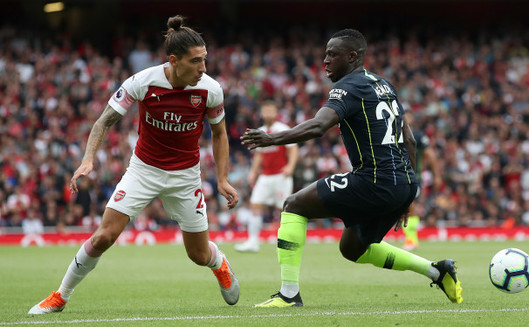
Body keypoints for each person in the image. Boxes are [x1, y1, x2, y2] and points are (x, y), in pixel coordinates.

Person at [28, 15, 240, 315]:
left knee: (198, 254)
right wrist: (88, 159)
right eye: (196, 61)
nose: (203, 68)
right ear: (174, 60)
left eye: (204, 60)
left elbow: (219, 134)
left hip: (186, 176)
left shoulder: (210, 89)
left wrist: (222, 179)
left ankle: (220, 264)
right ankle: (60, 296)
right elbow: (104, 122)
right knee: (104, 236)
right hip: (143, 170)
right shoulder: (142, 81)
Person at [241, 29, 463, 307]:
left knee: (294, 205)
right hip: (403, 183)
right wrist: (408, 194)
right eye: (325, 54)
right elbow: (409, 140)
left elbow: (319, 125)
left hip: (375, 181)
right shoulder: (385, 85)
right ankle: (437, 270)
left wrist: (272, 138)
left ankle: (288, 295)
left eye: (332, 55)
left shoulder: (348, 87)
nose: (325, 61)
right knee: (352, 249)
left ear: (352, 56)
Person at [235, 100, 299, 252]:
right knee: (255, 204)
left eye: (271, 110)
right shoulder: (260, 131)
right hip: (265, 176)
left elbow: (293, 149)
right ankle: (253, 242)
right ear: (261, 113)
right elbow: (259, 155)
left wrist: (290, 166)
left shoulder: (282, 129)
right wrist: (253, 172)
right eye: (266, 111)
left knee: (283, 209)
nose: (268, 113)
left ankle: (286, 243)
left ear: (276, 113)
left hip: (281, 175)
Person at [401, 111, 442, 250]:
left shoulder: (417, 136)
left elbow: (430, 155)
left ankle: (411, 240)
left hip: (413, 177)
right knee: (403, 208)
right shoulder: (392, 135)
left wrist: (436, 175)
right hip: (396, 177)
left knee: (410, 205)